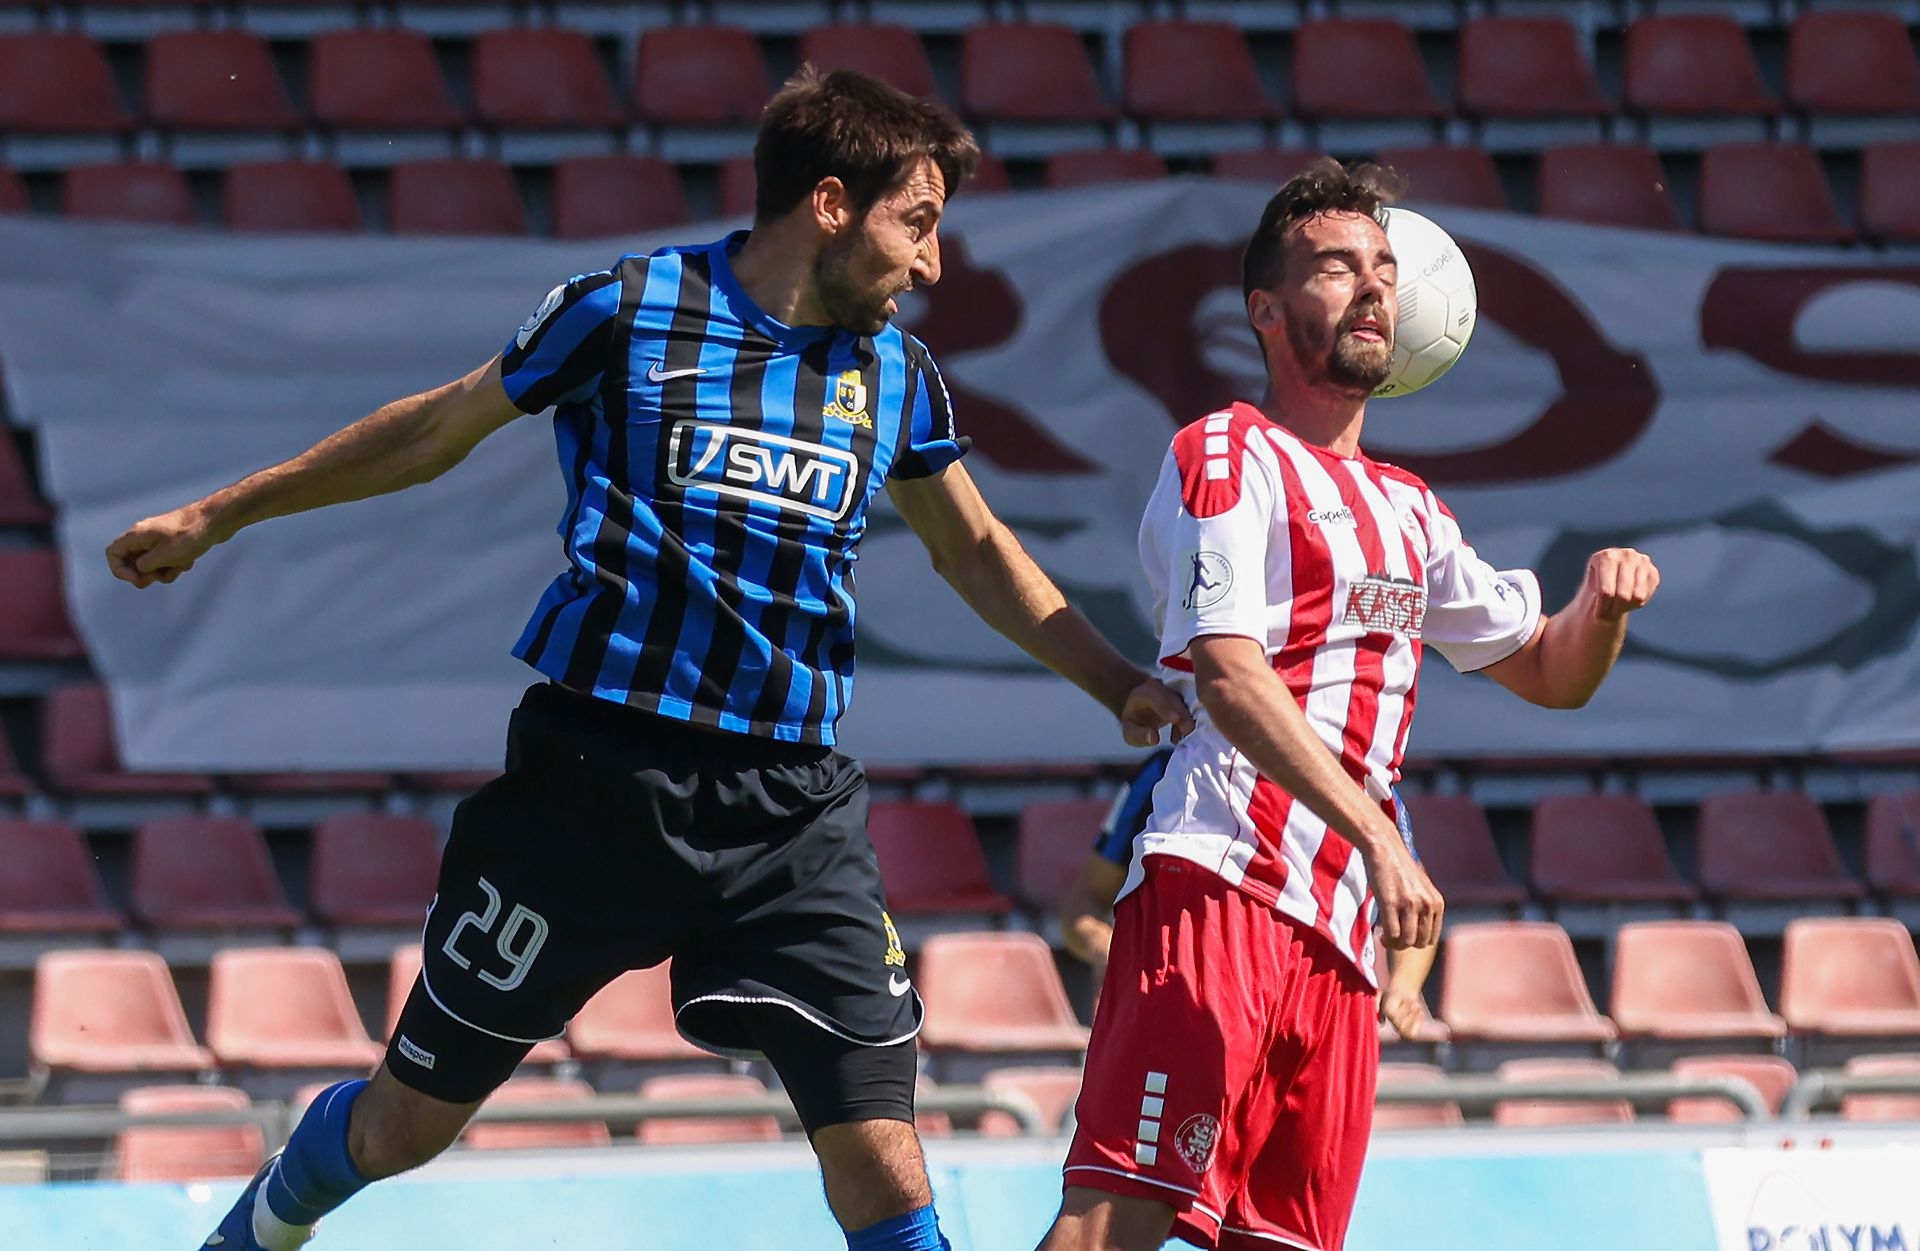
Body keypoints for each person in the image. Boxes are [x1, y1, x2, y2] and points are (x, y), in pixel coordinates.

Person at [105, 68, 1188, 1251]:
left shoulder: (894, 377)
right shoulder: (624, 311)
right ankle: (265, 1226)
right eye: (916, 223)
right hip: (591, 787)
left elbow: (975, 551)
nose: (931, 265)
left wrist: (1120, 683)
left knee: (882, 1155)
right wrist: (220, 514)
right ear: (831, 203)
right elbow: (433, 431)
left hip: (790, 814)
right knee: (405, 1125)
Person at [1037, 158, 1659, 1251]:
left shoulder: (1412, 511)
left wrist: (1600, 610)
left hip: (1341, 942)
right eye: (1335, 267)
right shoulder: (1226, 451)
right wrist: (1379, 833)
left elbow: (1552, 675)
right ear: (1265, 311)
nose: (1373, 286)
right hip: (1220, 883)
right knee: (1111, 1228)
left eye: (1384, 268)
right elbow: (1229, 674)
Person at [1060, 749, 1443, 1042]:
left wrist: (1405, 988)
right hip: (1181, 1022)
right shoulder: (1165, 775)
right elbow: (1082, 909)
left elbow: (1418, 904)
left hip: (1319, 1028)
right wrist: (1121, 953)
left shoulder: (1362, 784)